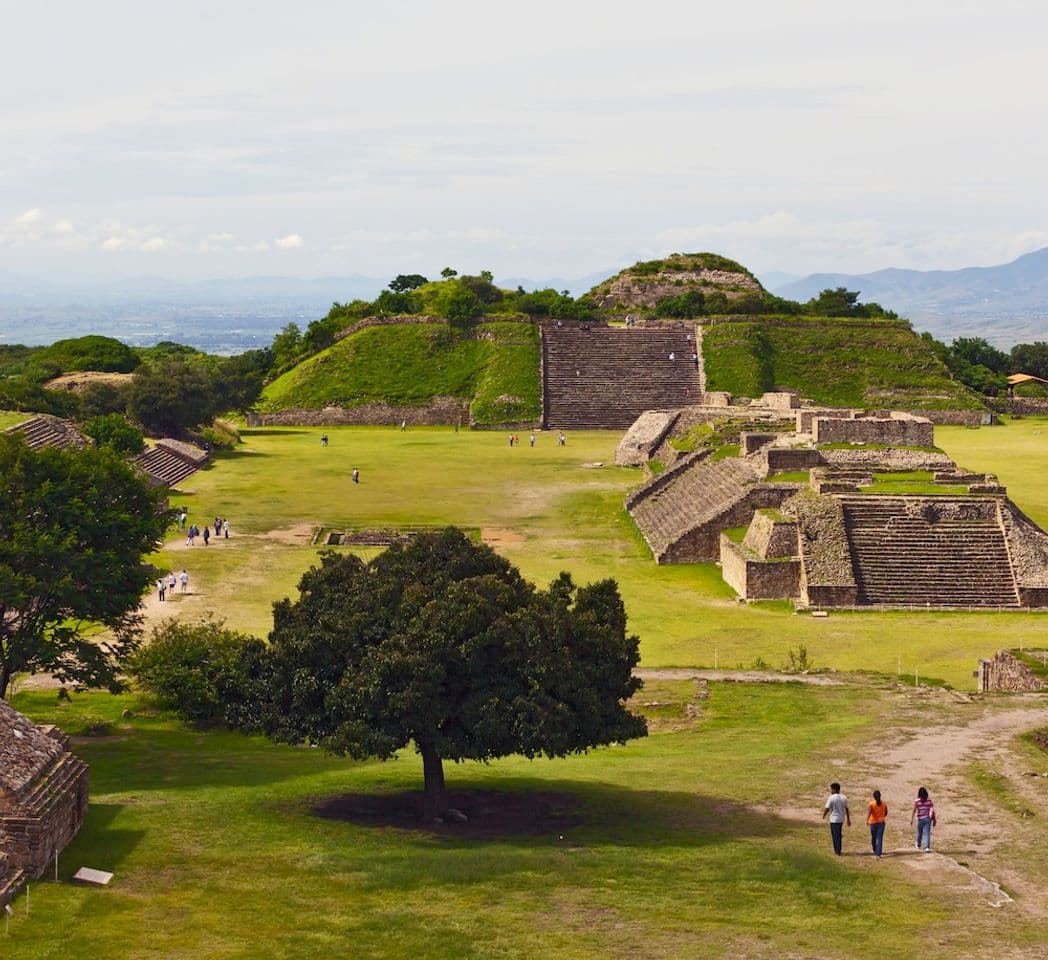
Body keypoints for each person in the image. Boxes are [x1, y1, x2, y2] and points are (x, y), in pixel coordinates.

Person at [822, 782, 851, 855]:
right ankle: (838, 849)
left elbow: (827, 808)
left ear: (834, 789)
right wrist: (848, 819)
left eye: (831, 789)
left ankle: (837, 850)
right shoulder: (844, 797)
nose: (831, 791)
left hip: (834, 819)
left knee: (835, 835)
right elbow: (847, 809)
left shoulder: (831, 797)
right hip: (841, 819)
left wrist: (824, 815)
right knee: (838, 834)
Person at [911, 787, 936, 851]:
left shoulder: (917, 801)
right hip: (928, 818)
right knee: (927, 833)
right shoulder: (929, 801)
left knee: (920, 832)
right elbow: (932, 811)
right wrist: (934, 820)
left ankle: (918, 844)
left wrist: (912, 818)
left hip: (920, 819)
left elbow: (914, 810)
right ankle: (927, 847)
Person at [867, 790, 888, 857]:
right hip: (881, 822)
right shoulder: (884, 804)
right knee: (879, 838)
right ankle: (878, 853)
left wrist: (867, 820)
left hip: (873, 822)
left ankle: (875, 849)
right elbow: (886, 812)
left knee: (874, 837)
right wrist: (882, 816)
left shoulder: (871, 804)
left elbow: (870, 813)